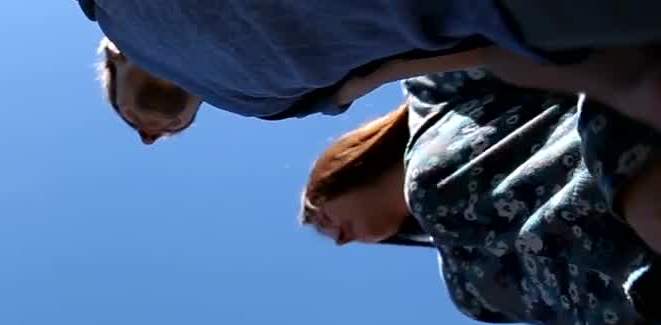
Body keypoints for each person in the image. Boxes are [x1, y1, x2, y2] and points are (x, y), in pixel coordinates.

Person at [302, 70, 661, 325]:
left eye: (321, 217)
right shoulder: (463, 286)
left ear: (337, 169)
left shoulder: (430, 92)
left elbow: (572, 51)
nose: (338, 239)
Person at [74, 0, 661, 132]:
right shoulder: (264, 100)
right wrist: (614, 79)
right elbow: (463, 54)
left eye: (139, 118)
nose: (150, 131)